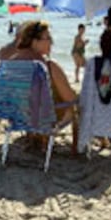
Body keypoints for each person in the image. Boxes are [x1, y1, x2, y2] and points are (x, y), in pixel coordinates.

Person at [10, 20, 78, 152]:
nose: (51, 42)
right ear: (34, 42)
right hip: (47, 118)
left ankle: (34, 136)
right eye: (48, 38)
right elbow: (70, 99)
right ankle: (76, 149)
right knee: (78, 103)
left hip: (23, 116)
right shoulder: (49, 67)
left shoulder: (13, 63)